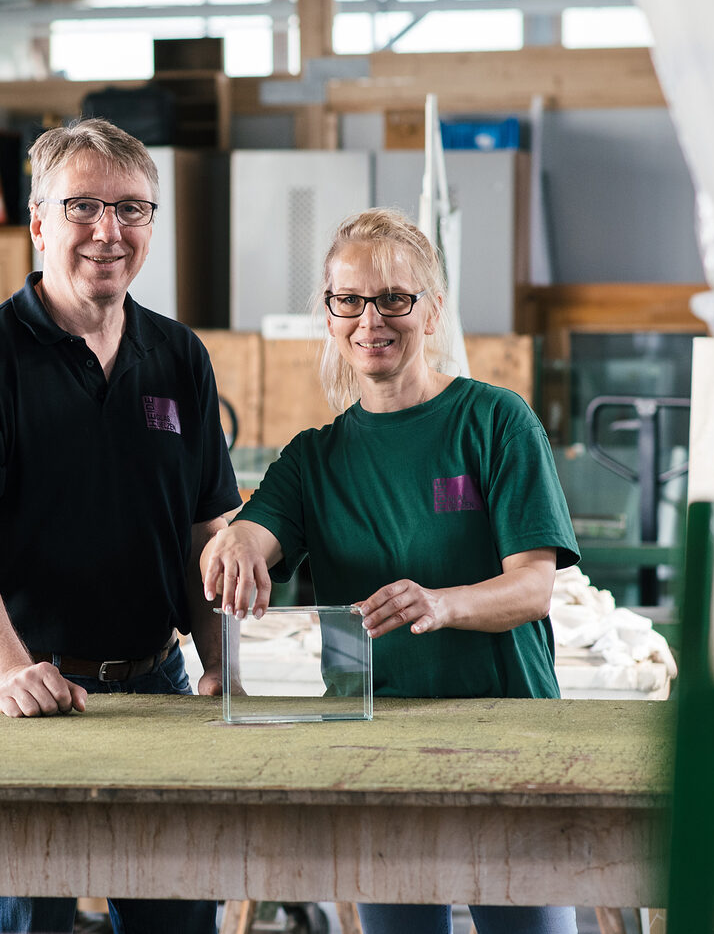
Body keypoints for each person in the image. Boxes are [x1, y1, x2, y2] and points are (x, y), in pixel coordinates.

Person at [200, 207, 580, 934]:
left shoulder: (496, 422)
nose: (370, 319)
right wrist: (237, 547)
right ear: (330, 312)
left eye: (394, 299)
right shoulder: (315, 457)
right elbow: (253, 530)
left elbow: (534, 585)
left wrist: (441, 603)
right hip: (370, 741)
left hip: (505, 732)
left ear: (431, 310)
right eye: (350, 300)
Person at [0, 117, 239, 934]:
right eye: (84, 206)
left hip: (158, 684)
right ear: (37, 222)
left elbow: (209, 532)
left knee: (178, 917)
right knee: (33, 916)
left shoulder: (178, 356)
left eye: (132, 209)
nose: (109, 231)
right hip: (30, 694)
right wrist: (7, 670)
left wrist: (222, 664)